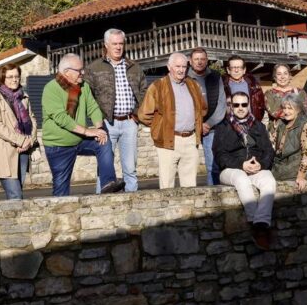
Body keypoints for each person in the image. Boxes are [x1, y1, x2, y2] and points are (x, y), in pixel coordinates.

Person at [41, 53, 125, 196]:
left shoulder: (83, 86)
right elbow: (62, 118)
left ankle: (108, 184)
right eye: (79, 70)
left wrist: (98, 129)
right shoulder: (51, 88)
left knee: (103, 141)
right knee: (61, 189)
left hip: (78, 139)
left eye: (83, 69)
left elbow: (93, 107)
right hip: (58, 145)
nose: (83, 73)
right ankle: (60, 216)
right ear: (66, 72)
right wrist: (88, 132)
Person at [84, 29, 148, 192]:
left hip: (129, 122)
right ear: (106, 45)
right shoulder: (94, 68)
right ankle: (101, 204)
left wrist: (136, 115)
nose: (118, 47)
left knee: (130, 169)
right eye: (114, 44)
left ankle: (132, 204)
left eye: (121, 43)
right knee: (104, 169)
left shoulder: (134, 67)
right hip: (106, 124)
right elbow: (87, 97)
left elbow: (143, 92)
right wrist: (97, 121)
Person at [213, 92, 276, 250]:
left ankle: (261, 223)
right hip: (231, 169)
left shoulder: (258, 125)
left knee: (269, 180)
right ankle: (257, 224)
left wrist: (260, 164)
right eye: (236, 105)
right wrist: (242, 164)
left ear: (248, 105)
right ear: (231, 107)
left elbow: (268, 150)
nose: (240, 108)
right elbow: (220, 155)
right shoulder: (223, 127)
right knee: (241, 178)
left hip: (255, 167)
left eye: (243, 104)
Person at [138, 52, 206, 189]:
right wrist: (162, 126)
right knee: (167, 185)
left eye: (184, 66)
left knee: (190, 186)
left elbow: (202, 108)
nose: (181, 70)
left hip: (190, 139)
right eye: (177, 66)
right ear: (169, 67)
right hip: (169, 140)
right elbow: (144, 114)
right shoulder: (157, 86)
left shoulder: (193, 85)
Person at [0, 64, 38, 200]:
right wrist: (21, 140)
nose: (15, 80)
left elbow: (32, 120)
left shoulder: (24, 96)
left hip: (24, 150)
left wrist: (29, 141)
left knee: (18, 192)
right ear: (2, 79)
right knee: (15, 195)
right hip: (5, 151)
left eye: (17, 76)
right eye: (10, 77)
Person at [187, 48, 227, 185]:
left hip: (211, 127)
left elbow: (222, 103)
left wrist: (208, 124)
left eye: (202, 59)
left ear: (207, 60)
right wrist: (197, 124)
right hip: (190, 128)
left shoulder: (215, 76)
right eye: (196, 59)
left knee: (212, 167)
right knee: (188, 168)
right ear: (190, 61)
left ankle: (213, 196)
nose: (199, 62)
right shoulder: (184, 77)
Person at [268, 93, 307, 190]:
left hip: (293, 172)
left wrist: (301, 176)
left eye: (290, 108)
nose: (286, 111)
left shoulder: (305, 125)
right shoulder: (281, 123)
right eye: (284, 108)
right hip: (277, 169)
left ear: (298, 109)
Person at [222, 55, 266, 122]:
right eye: (233, 67)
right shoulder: (222, 85)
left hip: (251, 123)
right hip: (230, 124)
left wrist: (257, 122)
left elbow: (260, 105)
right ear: (228, 70)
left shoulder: (254, 84)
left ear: (244, 70)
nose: (236, 70)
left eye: (239, 67)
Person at [265, 63, 307, 129]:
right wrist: (294, 112)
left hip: (297, 128)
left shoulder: (299, 92)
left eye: (285, 73)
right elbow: (274, 112)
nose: (282, 77)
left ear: (289, 76)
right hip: (278, 128)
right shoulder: (269, 93)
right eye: (279, 74)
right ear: (275, 77)